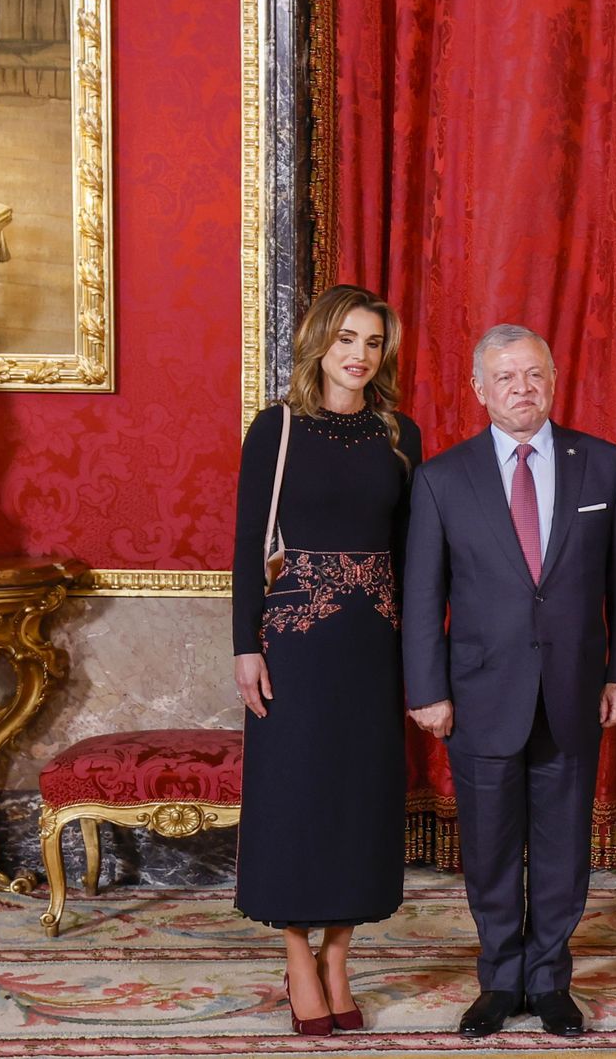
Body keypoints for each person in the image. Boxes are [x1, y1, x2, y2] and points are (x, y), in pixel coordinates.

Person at [401, 325, 616, 1039]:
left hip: (574, 689)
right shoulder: (443, 478)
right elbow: (422, 597)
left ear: (555, 377)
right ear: (479, 388)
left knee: (565, 843)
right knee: (491, 845)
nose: (522, 389)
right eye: (506, 377)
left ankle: (551, 979)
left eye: (534, 375)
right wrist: (428, 689)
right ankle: (501, 978)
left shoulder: (603, 466)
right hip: (479, 694)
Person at [232, 284, 422, 1036]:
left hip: (373, 643)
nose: (359, 355)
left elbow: (411, 555)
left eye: (373, 343)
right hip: (296, 643)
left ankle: (339, 955)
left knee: (358, 800)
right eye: (347, 338)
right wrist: (246, 645)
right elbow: (249, 545)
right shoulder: (276, 428)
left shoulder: (400, 434)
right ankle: (296, 955)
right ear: (319, 341)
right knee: (295, 794)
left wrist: (422, 655)